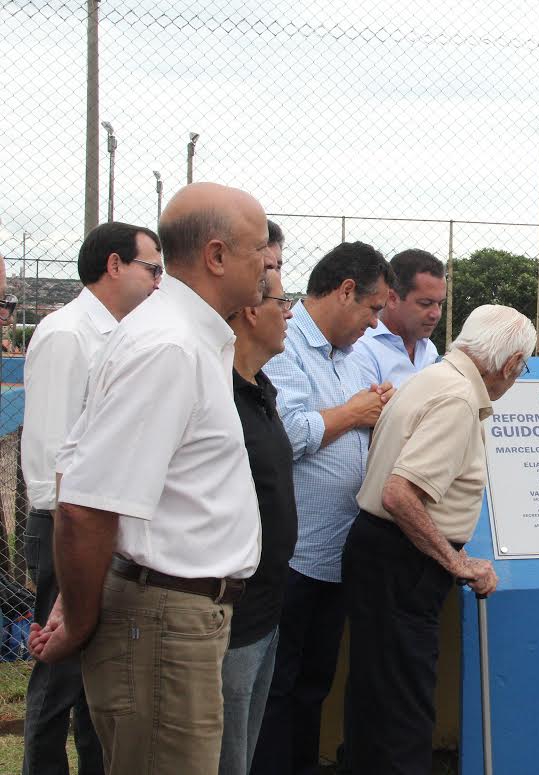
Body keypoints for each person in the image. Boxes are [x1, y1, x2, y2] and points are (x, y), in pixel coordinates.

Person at [29, 182, 276, 774]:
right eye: (259, 249)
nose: (269, 264)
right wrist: (82, 619)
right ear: (216, 256)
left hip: (175, 618)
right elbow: (85, 503)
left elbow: (93, 470)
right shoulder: (169, 345)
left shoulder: (188, 337)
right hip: (162, 625)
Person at [343, 304, 533, 774]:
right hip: (402, 561)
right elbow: (400, 493)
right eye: (522, 368)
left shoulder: (434, 377)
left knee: (377, 698)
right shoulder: (458, 399)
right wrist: (456, 562)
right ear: (509, 365)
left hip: (382, 553)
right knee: (403, 708)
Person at [19, 221, 162, 775]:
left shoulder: (120, 334)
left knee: (95, 679)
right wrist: (71, 539)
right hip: (67, 524)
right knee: (59, 676)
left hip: (98, 523)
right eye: (152, 268)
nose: (157, 282)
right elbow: (55, 452)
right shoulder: (67, 334)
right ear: (114, 266)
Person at [252, 241, 394, 775]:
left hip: (337, 550)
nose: (375, 321)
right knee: (277, 686)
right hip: (291, 554)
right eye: (373, 308)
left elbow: (362, 421)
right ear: (346, 290)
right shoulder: (283, 347)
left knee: (314, 683)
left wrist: (373, 413)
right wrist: (354, 412)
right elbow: (283, 434)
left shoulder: (357, 355)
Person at [219, 270, 297, 775]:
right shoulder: (220, 394)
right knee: (224, 753)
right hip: (233, 616)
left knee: (245, 749)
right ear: (251, 310)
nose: (290, 311)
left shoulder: (259, 388)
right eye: (281, 300)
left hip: (267, 607)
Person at [352, 248, 445, 388]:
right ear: (392, 299)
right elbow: (366, 409)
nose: (436, 314)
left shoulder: (428, 348)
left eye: (440, 304)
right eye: (426, 304)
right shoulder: (362, 349)